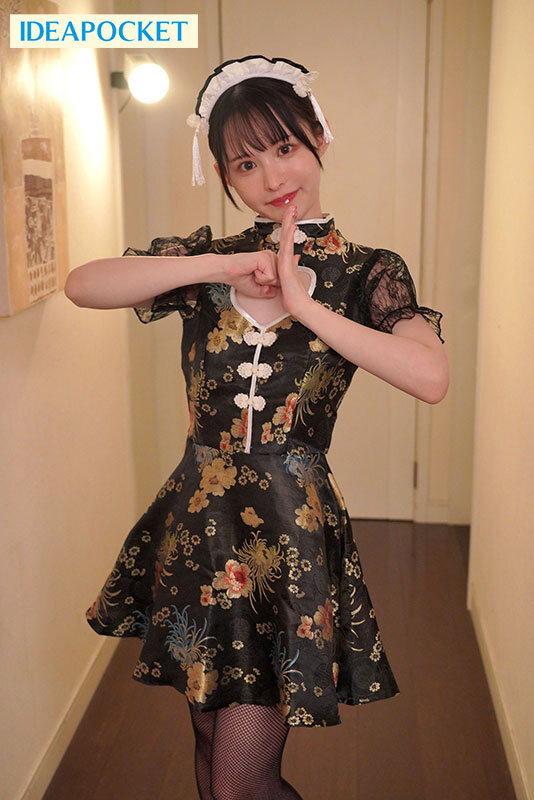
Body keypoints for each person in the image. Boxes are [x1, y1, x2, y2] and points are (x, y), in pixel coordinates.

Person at [68, 54, 448, 800]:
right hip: (198, 527)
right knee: (210, 742)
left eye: (284, 147)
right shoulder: (210, 262)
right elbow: (86, 285)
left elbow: (429, 377)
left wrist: (306, 308)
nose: (272, 176)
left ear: (319, 139)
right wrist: (221, 267)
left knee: (239, 782)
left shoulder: (367, 271)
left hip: (287, 536)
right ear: (225, 176)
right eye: (246, 163)